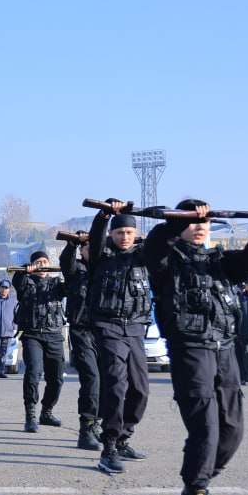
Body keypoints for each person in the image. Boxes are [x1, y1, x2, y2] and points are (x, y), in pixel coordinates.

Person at [145, 200, 248, 495]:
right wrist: (171, 222)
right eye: (194, 222)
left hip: (224, 347)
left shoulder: (220, 261)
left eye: (206, 222)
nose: (200, 227)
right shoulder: (166, 260)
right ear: (180, 226)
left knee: (233, 428)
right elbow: (155, 245)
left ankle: (201, 483)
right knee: (205, 428)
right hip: (190, 349)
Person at [85, 201, 152, 474]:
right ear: (112, 235)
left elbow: (163, 243)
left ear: (135, 234)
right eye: (119, 232)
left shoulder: (143, 257)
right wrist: (105, 215)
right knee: (116, 385)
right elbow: (96, 236)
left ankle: (124, 437)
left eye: (129, 232)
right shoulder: (101, 256)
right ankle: (109, 446)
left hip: (135, 328)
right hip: (108, 327)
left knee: (140, 389)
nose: (124, 237)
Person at [11, 251, 69, 433]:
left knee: (57, 378)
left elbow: (72, 284)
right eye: (38, 262)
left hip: (54, 335)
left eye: (45, 262)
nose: (42, 265)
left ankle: (47, 411)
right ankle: (30, 415)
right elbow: (17, 282)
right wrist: (24, 271)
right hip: (32, 335)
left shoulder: (56, 283)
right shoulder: (26, 282)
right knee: (33, 373)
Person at [63, 236, 101, 450]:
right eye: (89, 247)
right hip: (81, 329)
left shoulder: (106, 266)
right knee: (92, 379)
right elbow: (66, 262)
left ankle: (98, 422)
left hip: (105, 330)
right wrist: (72, 244)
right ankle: (86, 428)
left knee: (109, 379)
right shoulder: (76, 269)